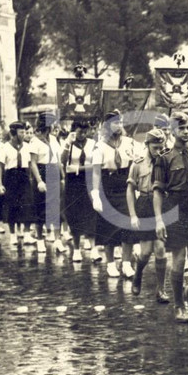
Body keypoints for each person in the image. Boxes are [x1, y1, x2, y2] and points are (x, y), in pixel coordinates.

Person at [152, 112, 188, 321]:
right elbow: (158, 191)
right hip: (175, 208)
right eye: (181, 128)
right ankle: (179, 305)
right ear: (172, 130)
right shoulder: (165, 158)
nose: (186, 132)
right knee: (178, 260)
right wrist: (159, 219)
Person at [90, 110, 139, 278]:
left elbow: (136, 163)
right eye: (114, 122)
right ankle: (110, 264)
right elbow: (96, 172)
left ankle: (126, 263)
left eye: (120, 122)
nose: (118, 125)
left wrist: (136, 186)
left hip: (125, 185)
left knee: (127, 225)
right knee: (108, 227)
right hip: (108, 186)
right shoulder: (100, 146)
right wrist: (96, 194)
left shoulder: (129, 142)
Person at [127, 128, 169, 299]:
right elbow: (130, 190)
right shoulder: (137, 164)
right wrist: (132, 215)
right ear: (147, 145)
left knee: (160, 249)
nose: (159, 151)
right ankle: (138, 274)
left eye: (161, 147)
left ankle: (161, 289)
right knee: (145, 252)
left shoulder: (166, 161)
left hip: (161, 205)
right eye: (155, 147)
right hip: (144, 204)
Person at [61, 120, 98, 262]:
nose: (82, 135)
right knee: (74, 214)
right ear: (73, 131)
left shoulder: (92, 144)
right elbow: (63, 162)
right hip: (73, 184)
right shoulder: (69, 143)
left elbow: (95, 165)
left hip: (88, 180)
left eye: (84, 132)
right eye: (79, 132)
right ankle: (76, 250)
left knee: (91, 214)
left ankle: (94, 249)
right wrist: (67, 143)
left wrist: (77, 169)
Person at [28, 113, 64, 253]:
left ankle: (57, 240)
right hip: (42, 173)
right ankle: (39, 240)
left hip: (54, 171)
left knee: (55, 208)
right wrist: (39, 181)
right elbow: (33, 163)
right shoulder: (34, 141)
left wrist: (62, 176)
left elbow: (58, 159)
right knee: (40, 209)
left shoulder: (54, 140)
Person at [0, 121, 33, 247]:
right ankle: (13, 235)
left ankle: (27, 234)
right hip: (10, 177)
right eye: (21, 132)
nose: (24, 135)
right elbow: (0, 167)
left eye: (24, 132)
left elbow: (29, 165)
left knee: (27, 204)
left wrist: (32, 179)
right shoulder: (5, 148)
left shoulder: (27, 147)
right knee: (11, 206)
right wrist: (0, 184)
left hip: (24, 177)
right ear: (13, 133)